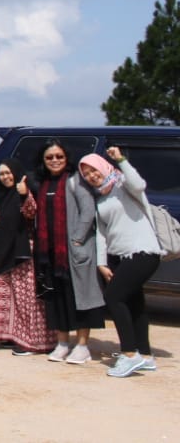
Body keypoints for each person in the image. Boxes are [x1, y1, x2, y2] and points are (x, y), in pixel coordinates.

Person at [80, 147, 162, 377]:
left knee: (113, 297)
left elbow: (140, 185)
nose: (91, 175)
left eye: (93, 170)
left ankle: (128, 354)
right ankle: (145, 356)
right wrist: (102, 263)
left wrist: (121, 160)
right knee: (134, 303)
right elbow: (102, 234)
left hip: (144, 251)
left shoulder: (122, 185)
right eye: (86, 173)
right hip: (122, 256)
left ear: (103, 166)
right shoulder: (101, 197)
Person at [29, 138, 104, 364]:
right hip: (50, 253)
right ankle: (62, 343)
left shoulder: (75, 181)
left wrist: (78, 239)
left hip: (73, 252)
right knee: (57, 299)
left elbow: (88, 211)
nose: (55, 161)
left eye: (59, 156)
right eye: (50, 157)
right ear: (43, 160)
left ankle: (82, 346)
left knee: (80, 298)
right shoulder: (42, 184)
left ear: (66, 158)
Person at [0, 159, 55, 356]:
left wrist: (24, 195)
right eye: (1, 174)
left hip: (24, 254)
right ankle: (11, 336)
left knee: (27, 300)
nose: (5, 177)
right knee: (10, 298)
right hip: (6, 253)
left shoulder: (25, 192)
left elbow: (32, 213)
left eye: (8, 173)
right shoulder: (1, 196)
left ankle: (32, 342)